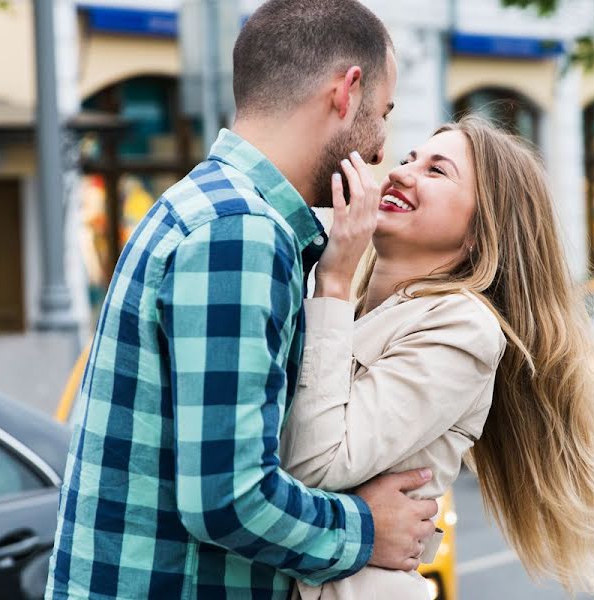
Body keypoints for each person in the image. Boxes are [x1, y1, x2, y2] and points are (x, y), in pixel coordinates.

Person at [45, 2, 439, 598]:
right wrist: (367, 528)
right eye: (383, 115)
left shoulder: (210, 207)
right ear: (347, 91)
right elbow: (226, 498)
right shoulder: (241, 231)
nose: (381, 149)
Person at [280, 116, 594, 598]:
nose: (402, 173)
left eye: (436, 171)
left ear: (479, 232)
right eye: (409, 160)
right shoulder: (349, 311)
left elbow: (314, 465)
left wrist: (335, 281)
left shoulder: (465, 328)